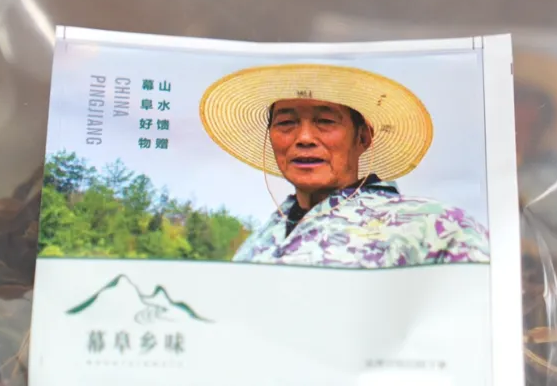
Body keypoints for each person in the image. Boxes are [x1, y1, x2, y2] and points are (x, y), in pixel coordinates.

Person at [199, 63, 490, 269]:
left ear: (362, 137)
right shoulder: (257, 241)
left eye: (325, 121)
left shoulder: (433, 227)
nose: (304, 138)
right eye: (286, 123)